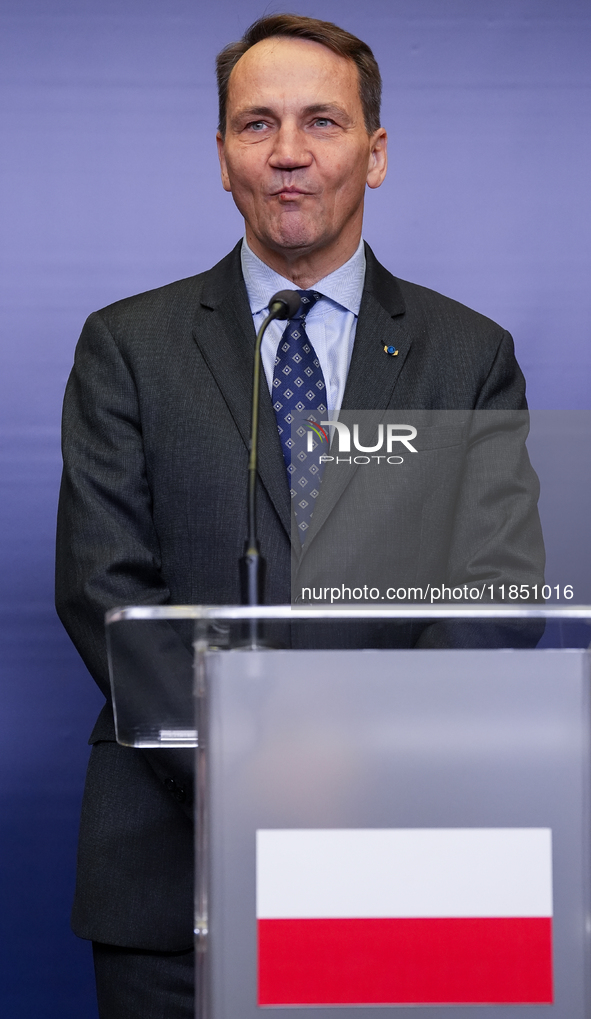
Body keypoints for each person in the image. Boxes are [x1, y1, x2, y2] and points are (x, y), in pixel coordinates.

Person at [55, 14, 544, 1018]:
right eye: (256, 124)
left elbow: (496, 588)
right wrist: (248, 774)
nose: (288, 152)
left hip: (398, 861)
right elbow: (103, 586)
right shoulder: (126, 347)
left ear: (375, 153)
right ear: (222, 157)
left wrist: (364, 772)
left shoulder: (471, 354)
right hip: (168, 876)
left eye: (322, 121)